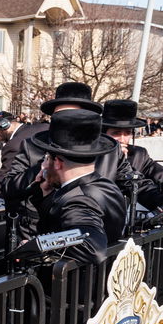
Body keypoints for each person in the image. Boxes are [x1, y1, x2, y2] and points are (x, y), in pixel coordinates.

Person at [26, 109, 127, 265]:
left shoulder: (77, 199)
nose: (44, 165)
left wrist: (39, 245)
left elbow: (92, 247)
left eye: (46, 159)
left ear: (58, 162)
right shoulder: (106, 185)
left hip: (75, 286)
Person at [100, 100, 163, 226]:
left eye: (127, 133)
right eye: (116, 133)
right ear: (103, 134)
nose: (122, 139)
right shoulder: (93, 157)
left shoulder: (137, 154)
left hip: (118, 225)